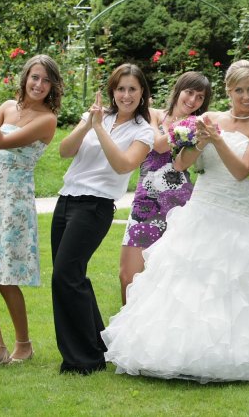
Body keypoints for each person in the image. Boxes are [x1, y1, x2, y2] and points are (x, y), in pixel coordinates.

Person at [100, 60, 249, 383]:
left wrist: (218, 140)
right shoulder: (209, 119)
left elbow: (241, 170)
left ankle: (244, 353)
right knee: (190, 280)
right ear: (229, 90)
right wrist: (200, 141)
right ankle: (182, 351)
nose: (246, 96)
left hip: (239, 209)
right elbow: (182, 164)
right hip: (203, 204)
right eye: (239, 90)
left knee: (243, 281)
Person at [0, 54, 63, 370]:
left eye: (46, 80)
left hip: (15, 200)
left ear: (53, 87)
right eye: (35, 77)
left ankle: (24, 344)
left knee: (5, 276)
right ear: (25, 77)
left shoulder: (47, 119)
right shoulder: (6, 106)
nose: (39, 84)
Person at [51, 63, 154, 375]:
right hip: (66, 200)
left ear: (142, 93)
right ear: (112, 91)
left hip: (95, 207)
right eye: (120, 89)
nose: (126, 95)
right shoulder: (96, 116)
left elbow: (124, 165)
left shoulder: (143, 131)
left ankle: (83, 359)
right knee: (70, 277)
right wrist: (89, 124)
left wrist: (99, 130)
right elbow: (64, 151)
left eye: (132, 89)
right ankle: (97, 346)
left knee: (66, 276)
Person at [119, 72, 212, 304]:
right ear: (178, 90)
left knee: (170, 277)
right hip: (146, 201)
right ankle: (127, 326)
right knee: (128, 275)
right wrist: (182, 125)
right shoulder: (152, 114)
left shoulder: (197, 129)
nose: (193, 100)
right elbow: (159, 145)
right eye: (189, 92)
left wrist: (193, 130)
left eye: (200, 97)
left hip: (178, 205)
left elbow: (182, 164)